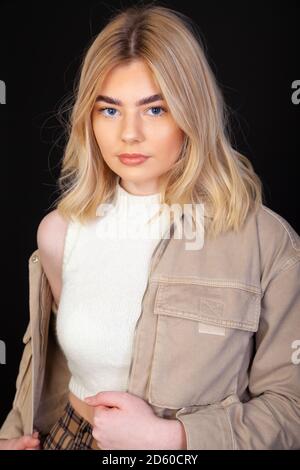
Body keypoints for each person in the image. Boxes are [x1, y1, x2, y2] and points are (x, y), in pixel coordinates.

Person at [0, 3, 300, 450]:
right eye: (109, 110)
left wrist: (172, 438)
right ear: (89, 119)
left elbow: (291, 409)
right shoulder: (58, 233)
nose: (129, 134)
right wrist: (11, 436)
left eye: (155, 110)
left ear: (190, 114)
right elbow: (52, 367)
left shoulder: (267, 243)